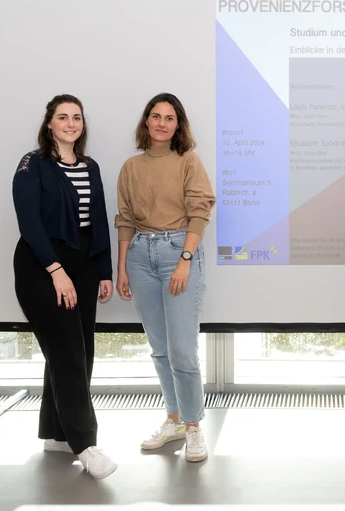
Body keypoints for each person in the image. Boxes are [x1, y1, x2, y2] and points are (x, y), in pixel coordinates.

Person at [12, 94, 117, 479]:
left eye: (77, 117)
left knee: (78, 350)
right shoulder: (33, 164)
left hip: (84, 266)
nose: (71, 123)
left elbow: (99, 219)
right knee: (68, 351)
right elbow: (30, 222)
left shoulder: (90, 166)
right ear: (49, 124)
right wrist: (56, 270)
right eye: (63, 117)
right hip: (42, 267)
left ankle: (57, 434)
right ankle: (86, 445)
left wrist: (104, 270)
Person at [115, 93, 216, 463]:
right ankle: (173, 419)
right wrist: (122, 267)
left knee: (183, 351)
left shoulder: (188, 161)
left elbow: (199, 211)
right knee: (159, 347)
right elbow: (125, 218)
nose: (161, 123)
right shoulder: (130, 166)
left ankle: (193, 426)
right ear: (146, 122)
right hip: (140, 256)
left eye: (169, 118)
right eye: (155, 116)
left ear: (178, 125)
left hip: (178, 251)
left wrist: (185, 259)